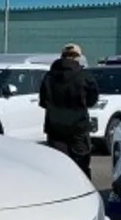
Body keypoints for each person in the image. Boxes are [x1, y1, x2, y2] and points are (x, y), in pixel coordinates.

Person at [39, 43, 99, 179]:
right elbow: (92, 100)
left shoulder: (49, 76)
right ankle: (82, 192)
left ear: (62, 57)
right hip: (78, 126)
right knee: (81, 164)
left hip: (54, 127)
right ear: (78, 57)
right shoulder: (84, 76)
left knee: (58, 164)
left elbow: (43, 102)